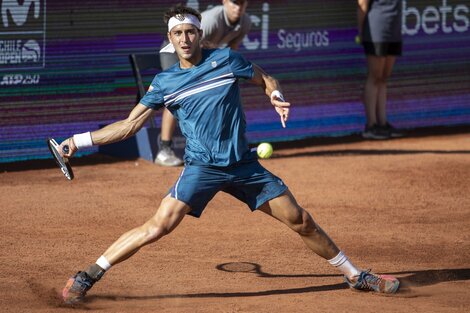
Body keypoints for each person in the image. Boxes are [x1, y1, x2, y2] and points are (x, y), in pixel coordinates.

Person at [60, 4, 400, 304]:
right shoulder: (164, 82)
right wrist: (79, 140)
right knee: (157, 227)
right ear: (170, 38)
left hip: (244, 166)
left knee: (302, 220)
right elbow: (130, 125)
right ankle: (88, 275)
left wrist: (275, 93)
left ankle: (355, 275)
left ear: (200, 33)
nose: (184, 39)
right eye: (177, 33)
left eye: (190, 31)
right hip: (202, 168)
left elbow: (266, 77)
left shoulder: (226, 60)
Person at [156, 0, 251, 166]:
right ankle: (165, 150)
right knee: (176, 95)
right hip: (176, 51)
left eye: (241, 3)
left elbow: (232, 49)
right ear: (225, 2)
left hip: (203, 54)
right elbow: (190, 43)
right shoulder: (212, 20)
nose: (238, 7)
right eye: (234, 3)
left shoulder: (246, 22)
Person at [357, 0, 405, 139]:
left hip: (394, 31)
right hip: (376, 30)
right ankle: (371, 126)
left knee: (384, 77)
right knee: (375, 77)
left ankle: (382, 123)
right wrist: (361, 32)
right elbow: (362, 5)